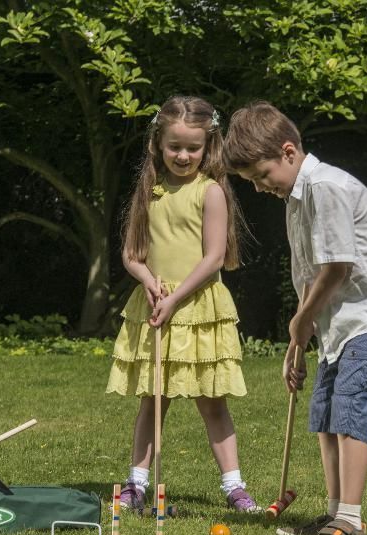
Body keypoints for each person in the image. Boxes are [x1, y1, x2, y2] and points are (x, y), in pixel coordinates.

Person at [224, 101, 367, 535]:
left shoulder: (326, 187)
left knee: (349, 412)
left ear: (287, 152)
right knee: (323, 415)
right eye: (252, 182)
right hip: (342, 322)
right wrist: (297, 343)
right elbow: (308, 274)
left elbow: (337, 268)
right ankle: (334, 513)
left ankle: (352, 522)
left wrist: (301, 321)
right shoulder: (296, 199)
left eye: (262, 176)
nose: (261, 188)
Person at [106, 95, 260, 513]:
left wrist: (175, 296)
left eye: (193, 147)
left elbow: (213, 258)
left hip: (196, 307)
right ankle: (136, 484)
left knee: (212, 401)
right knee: (152, 400)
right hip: (157, 303)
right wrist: (147, 281)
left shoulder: (210, 192)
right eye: (174, 146)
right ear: (158, 143)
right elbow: (131, 255)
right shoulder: (149, 189)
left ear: (209, 147)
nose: (183, 155)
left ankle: (235, 487)